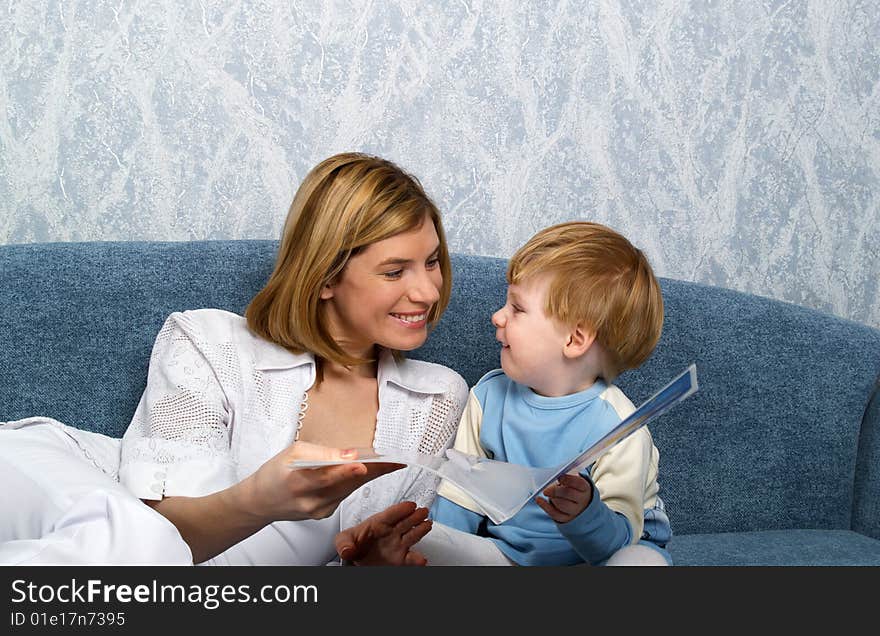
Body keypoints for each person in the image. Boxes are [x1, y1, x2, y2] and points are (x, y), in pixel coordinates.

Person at [0, 152, 468, 565]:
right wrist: (260, 500)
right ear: (325, 277)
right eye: (394, 271)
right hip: (45, 480)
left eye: (431, 262)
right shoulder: (209, 342)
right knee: (144, 541)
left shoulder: (437, 399)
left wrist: (370, 565)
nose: (428, 290)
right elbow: (167, 535)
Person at [336, 221, 672, 566]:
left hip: (594, 562)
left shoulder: (620, 427)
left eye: (518, 308)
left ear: (574, 340)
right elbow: (459, 498)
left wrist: (584, 512)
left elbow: (615, 544)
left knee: (641, 561)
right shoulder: (488, 397)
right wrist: (428, 548)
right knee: (422, 538)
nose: (498, 317)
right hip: (506, 558)